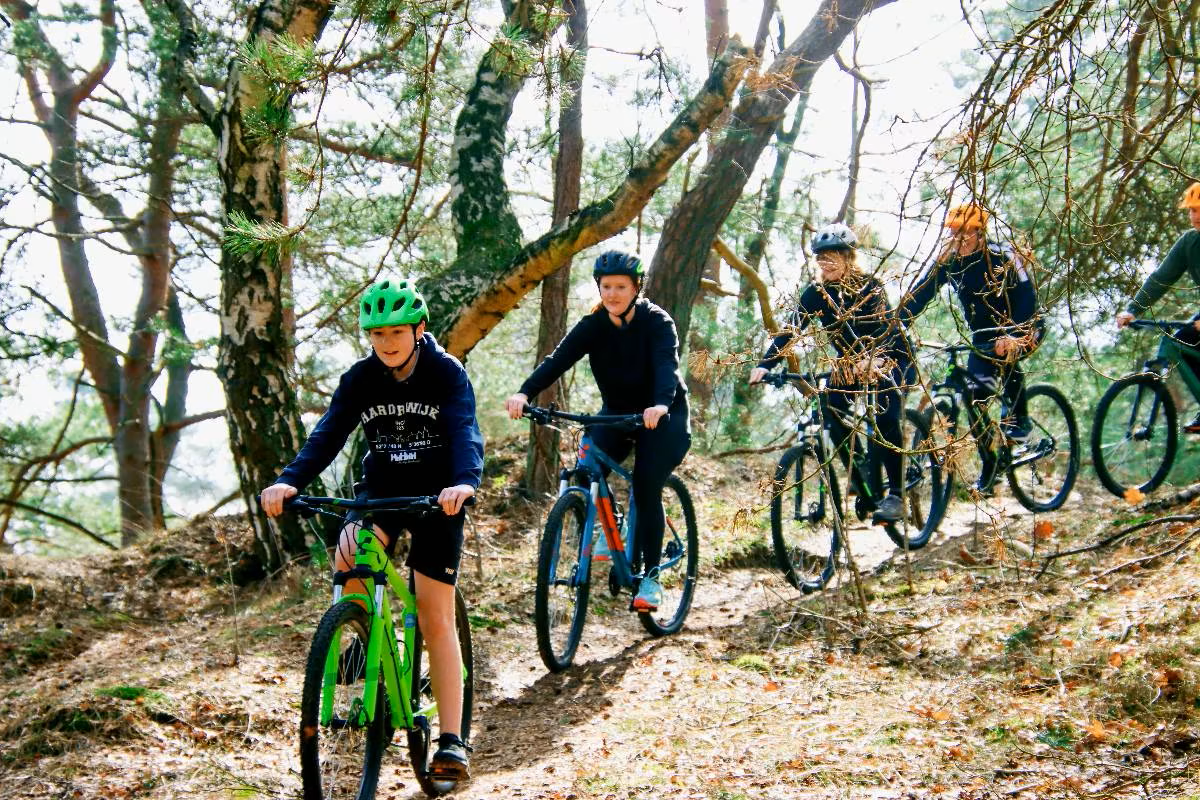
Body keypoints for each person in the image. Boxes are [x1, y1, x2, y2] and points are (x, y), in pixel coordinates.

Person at [259, 277, 483, 781]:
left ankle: (451, 740)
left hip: (438, 499)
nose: (387, 343)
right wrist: (289, 480)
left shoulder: (446, 372)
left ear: (419, 329)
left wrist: (464, 483)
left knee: (433, 613)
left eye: (396, 333)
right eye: (377, 335)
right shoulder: (361, 379)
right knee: (347, 552)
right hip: (380, 494)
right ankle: (360, 638)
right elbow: (329, 433)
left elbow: (463, 429)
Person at [504, 250, 690, 611]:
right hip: (617, 415)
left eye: (621, 286)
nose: (613, 294)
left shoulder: (657, 322)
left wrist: (661, 404)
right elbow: (557, 360)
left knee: (645, 484)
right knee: (588, 466)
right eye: (606, 287)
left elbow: (667, 366)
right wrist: (524, 392)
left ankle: (650, 577)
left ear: (637, 288)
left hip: (663, 416)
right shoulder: (593, 325)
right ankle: (611, 526)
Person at [749, 222, 914, 523]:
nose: (825, 263)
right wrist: (765, 364)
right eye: (820, 257)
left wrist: (876, 359)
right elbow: (790, 329)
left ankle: (897, 496)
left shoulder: (870, 287)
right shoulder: (817, 293)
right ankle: (863, 469)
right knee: (831, 407)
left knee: (886, 416)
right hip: (851, 366)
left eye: (833, 256)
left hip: (893, 359)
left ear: (849, 257)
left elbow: (889, 331)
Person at [896, 202, 1042, 488]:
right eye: (952, 233)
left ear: (980, 232)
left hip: (1024, 326)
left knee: (1007, 354)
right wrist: (897, 324)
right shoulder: (949, 261)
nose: (958, 239)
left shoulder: (1003, 255)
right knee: (973, 395)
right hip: (983, 336)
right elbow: (922, 294)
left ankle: (1019, 421)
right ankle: (992, 462)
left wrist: (1014, 333)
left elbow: (1027, 297)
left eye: (965, 233)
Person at [1116, 181, 1200, 432]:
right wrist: (1133, 310)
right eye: (1192, 210)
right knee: (1184, 340)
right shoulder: (1189, 243)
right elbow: (1160, 279)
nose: (1195, 215)